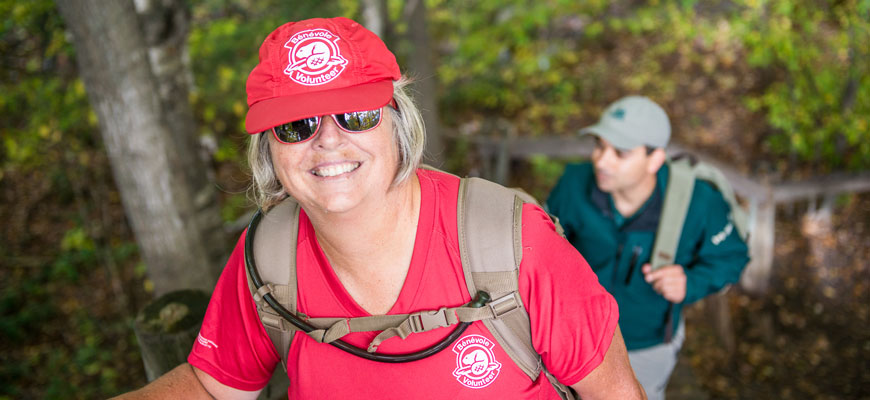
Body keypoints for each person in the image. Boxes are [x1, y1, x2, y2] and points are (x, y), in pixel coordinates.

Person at [114, 17, 645, 399]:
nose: (328, 141)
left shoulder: (510, 243)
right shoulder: (267, 258)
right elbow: (212, 387)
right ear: (270, 153)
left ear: (399, 121)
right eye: (296, 125)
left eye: (356, 115)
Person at [546, 95, 750, 400]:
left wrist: (690, 283)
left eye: (620, 152)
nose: (601, 160)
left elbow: (732, 256)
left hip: (646, 344)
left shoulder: (698, 203)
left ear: (655, 159)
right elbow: (545, 247)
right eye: (599, 145)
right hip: (574, 334)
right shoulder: (573, 184)